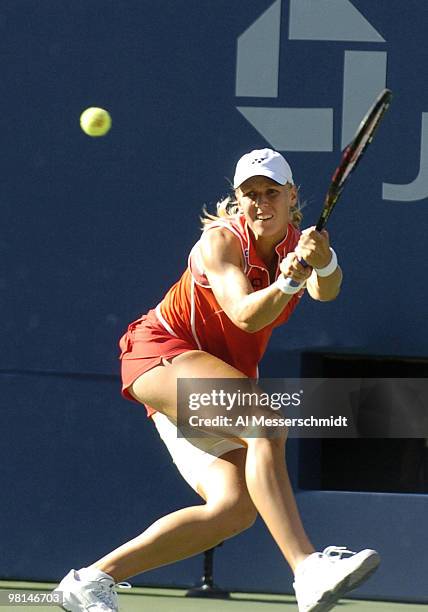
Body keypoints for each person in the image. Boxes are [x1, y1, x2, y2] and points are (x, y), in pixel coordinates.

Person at [55, 148, 380, 612]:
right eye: (249, 194)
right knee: (265, 423)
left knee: (233, 510)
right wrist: (287, 280)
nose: (260, 202)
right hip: (160, 355)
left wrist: (321, 261)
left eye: (271, 192)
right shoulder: (220, 243)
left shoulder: (296, 243)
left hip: (210, 377)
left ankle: (91, 581)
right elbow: (246, 316)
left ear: (292, 196)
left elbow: (327, 291)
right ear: (238, 200)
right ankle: (307, 569)